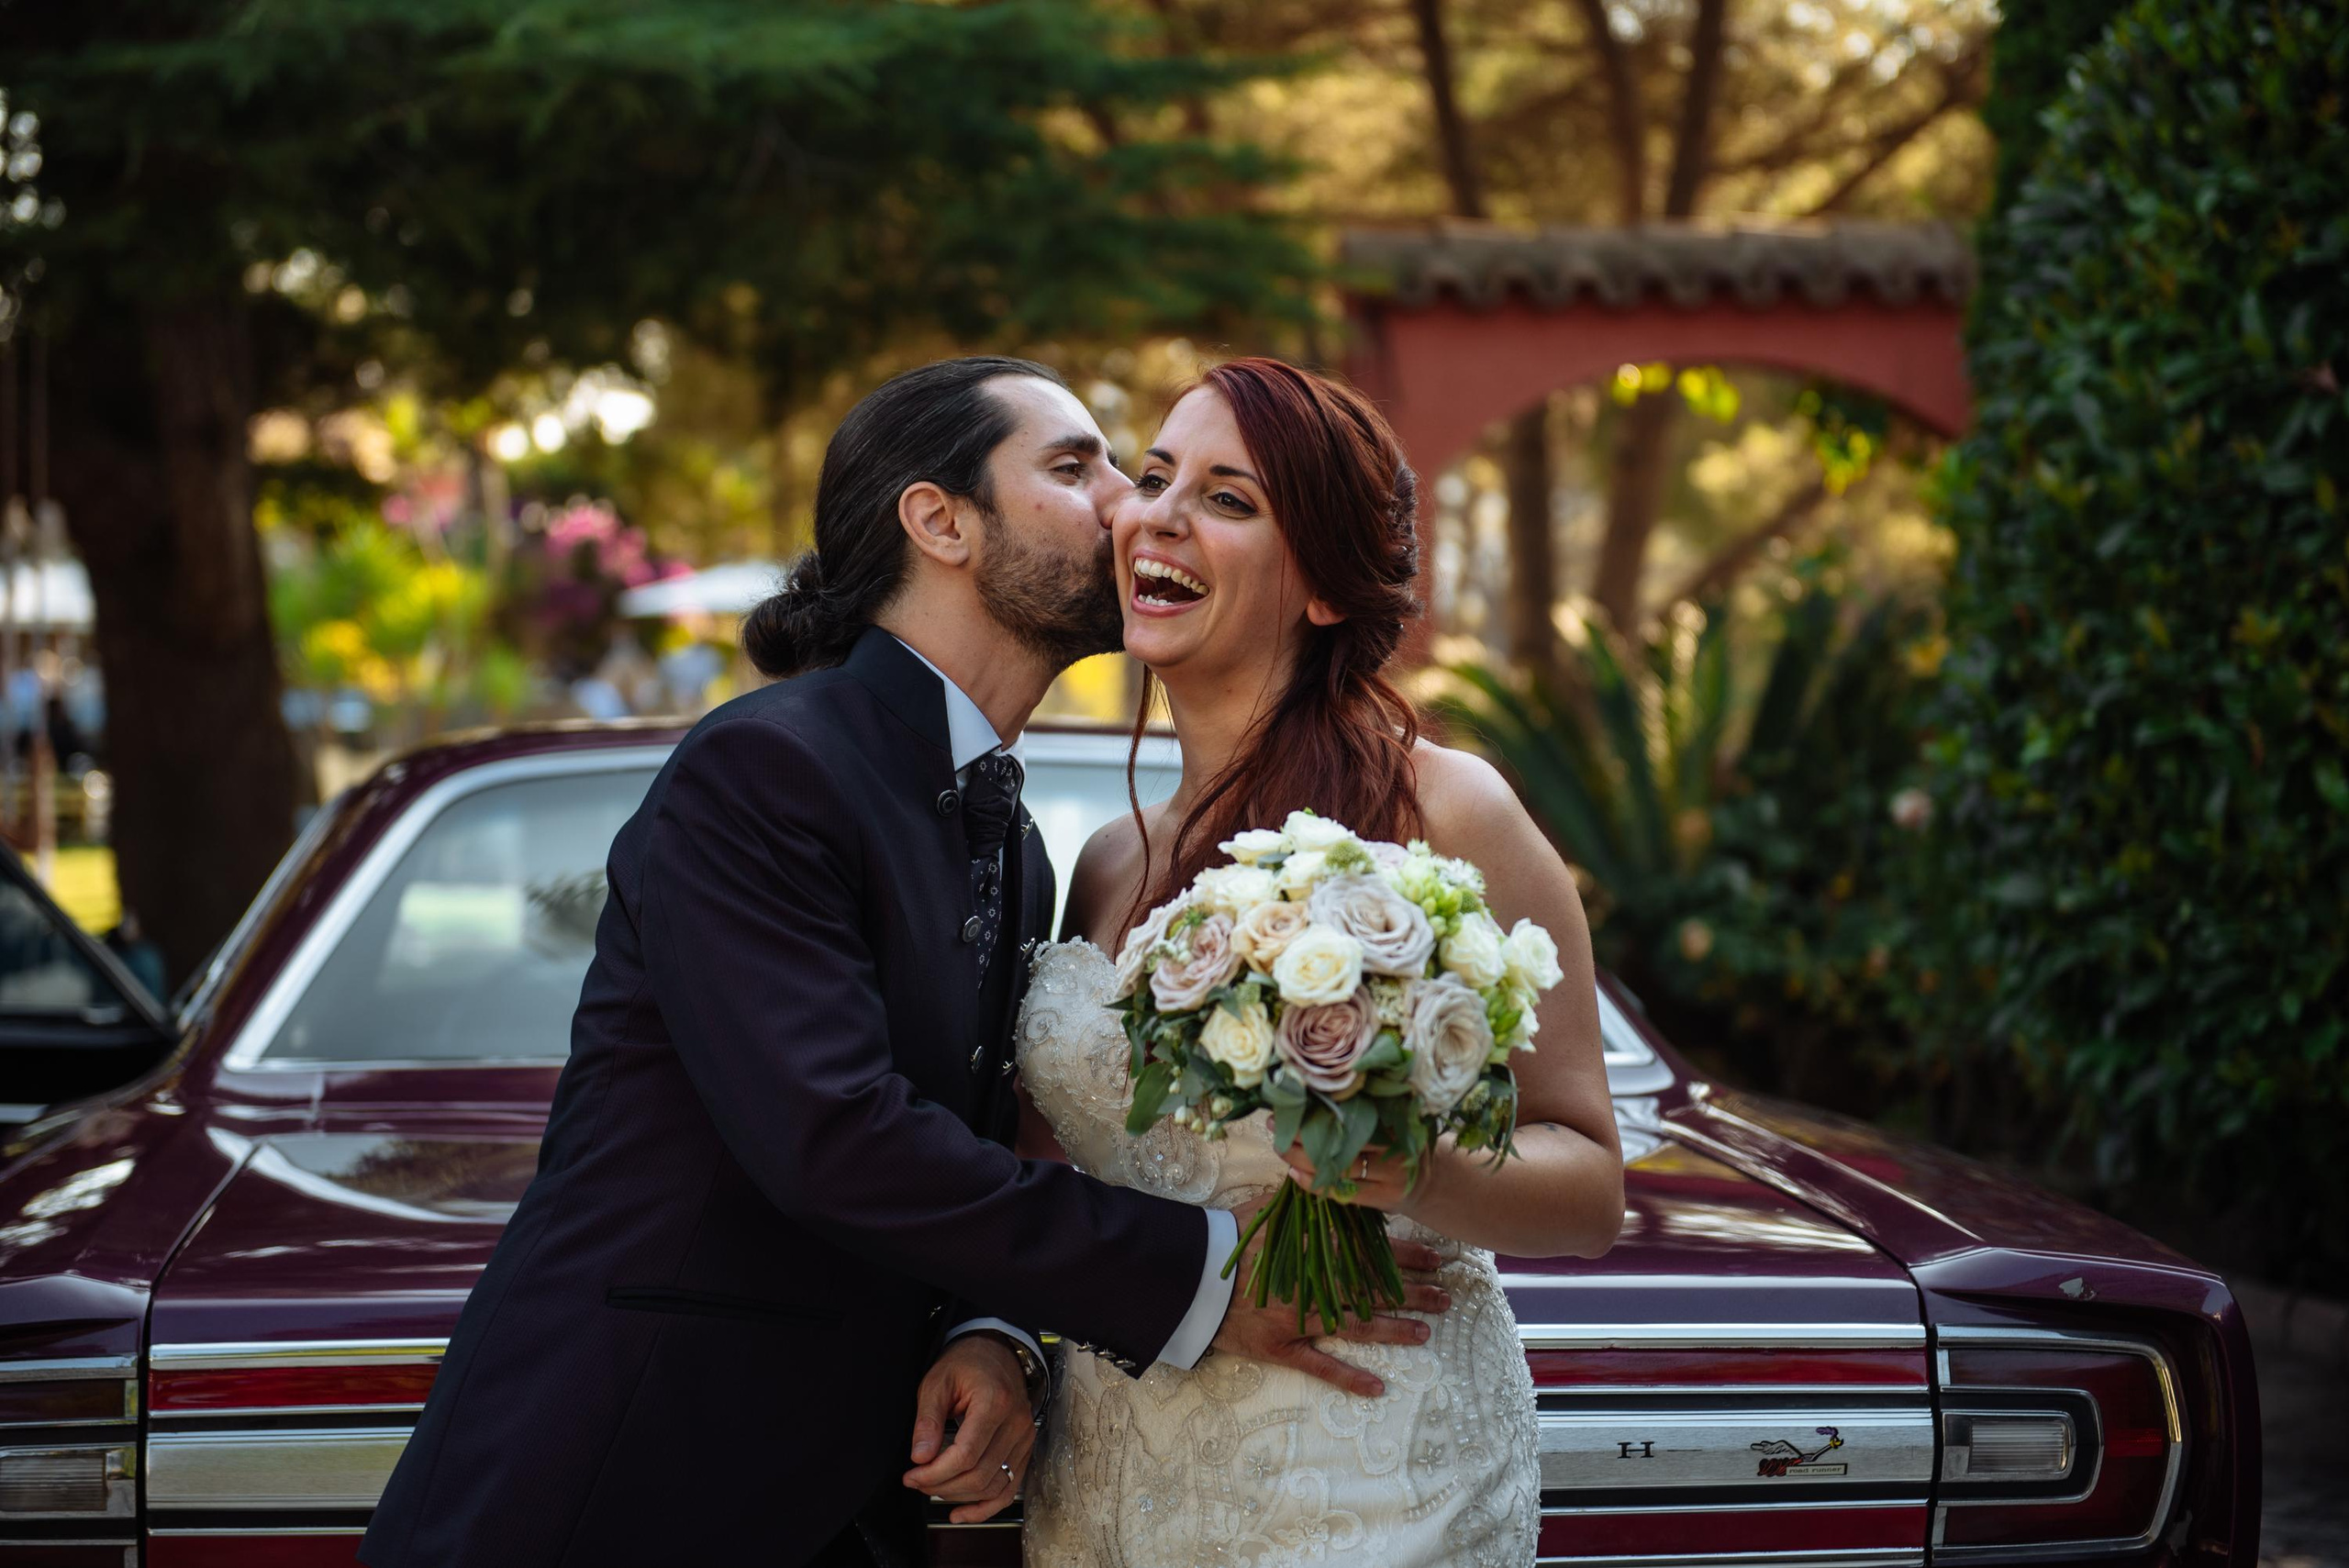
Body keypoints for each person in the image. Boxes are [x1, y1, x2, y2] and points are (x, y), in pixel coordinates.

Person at [359, 357, 1448, 1568]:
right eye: (1078, 467)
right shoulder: (766, 769)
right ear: (940, 521)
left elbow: (975, 1143)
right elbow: (837, 1136)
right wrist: (1200, 1278)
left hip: (833, 1507)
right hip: (614, 1488)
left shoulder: (1019, 841)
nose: (1126, 509)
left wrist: (989, 1325)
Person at [1016, 358, 1625, 1564]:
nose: (1163, 513)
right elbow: (1041, 1167)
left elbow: (1592, 1181)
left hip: (1364, 1481)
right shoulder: (1099, 858)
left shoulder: (1448, 814)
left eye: (1230, 498)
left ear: (1328, 590)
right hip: (1106, 1479)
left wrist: (1406, 1171)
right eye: (1155, 477)